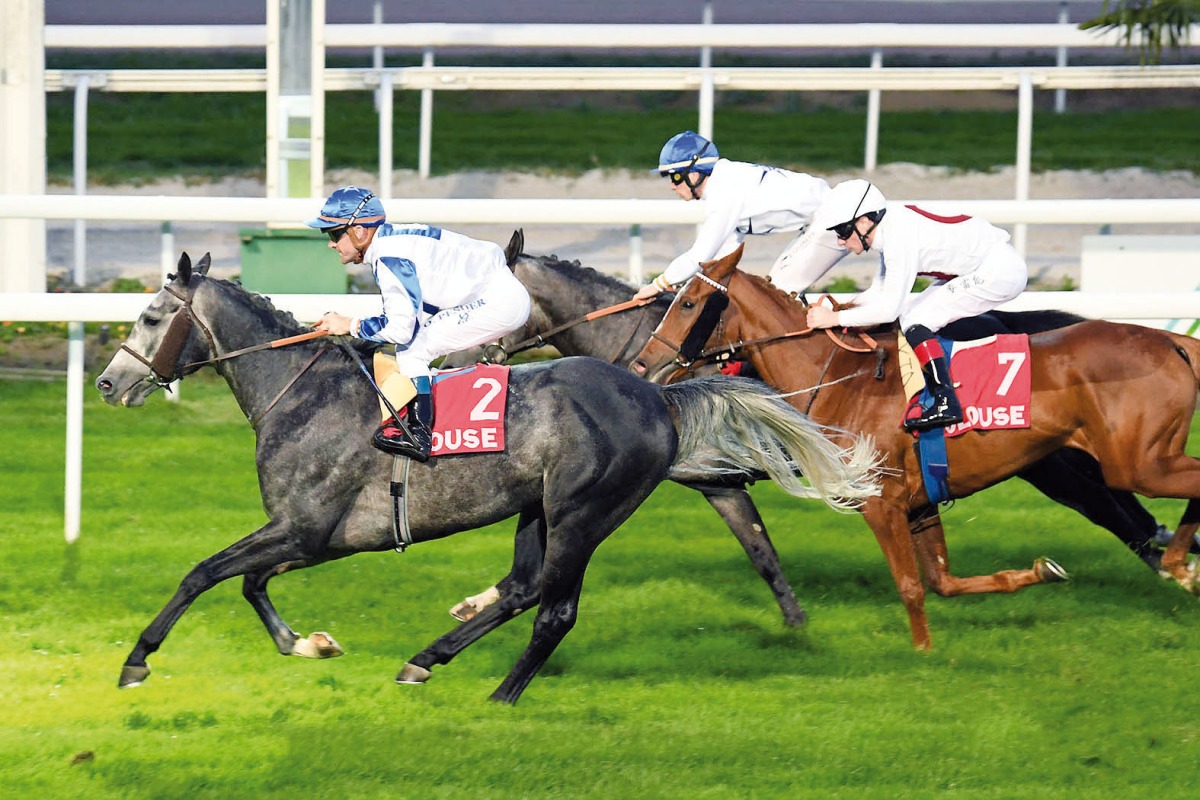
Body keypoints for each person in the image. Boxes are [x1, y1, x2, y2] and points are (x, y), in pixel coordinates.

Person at [305, 186, 532, 461]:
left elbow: (401, 329)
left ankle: (419, 434)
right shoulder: (390, 241)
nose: (331, 243)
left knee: (412, 350)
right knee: (414, 342)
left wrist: (350, 325)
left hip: (498, 302)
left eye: (333, 234)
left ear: (359, 231)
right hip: (498, 293)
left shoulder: (388, 258)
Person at [805, 178, 1028, 432]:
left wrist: (834, 320)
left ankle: (946, 401)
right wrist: (837, 311)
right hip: (981, 266)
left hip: (998, 272)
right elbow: (878, 293)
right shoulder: (891, 228)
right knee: (914, 314)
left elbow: (889, 309)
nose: (840, 241)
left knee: (915, 319)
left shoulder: (898, 240)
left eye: (843, 231)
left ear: (865, 222)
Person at [632, 131, 846, 302]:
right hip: (821, 221)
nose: (672, 185)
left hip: (836, 220)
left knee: (776, 299)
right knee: (772, 292)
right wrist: (678, 283)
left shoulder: (724, 192)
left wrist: (656, 285)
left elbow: (698, 255)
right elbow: (721, 259)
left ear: (694, 172)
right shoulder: (725, 182)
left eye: (675, 176)